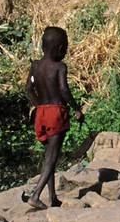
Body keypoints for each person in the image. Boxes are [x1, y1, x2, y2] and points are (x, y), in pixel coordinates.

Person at [24, 26, 84, 211]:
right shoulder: (60, 67)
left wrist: (38, 105)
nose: (65, 52)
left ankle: (52, 197)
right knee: (52, 158)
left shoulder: (35, 66)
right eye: (65, 48)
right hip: (56, 113)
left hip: (41, 113)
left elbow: (28, 89)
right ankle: (35, 196)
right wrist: (77, 109)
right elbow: (64, 90)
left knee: (48, 156)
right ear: (59, 49)